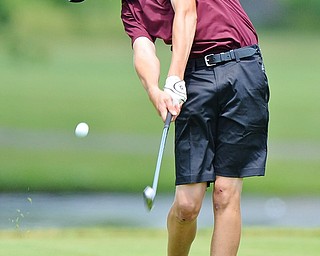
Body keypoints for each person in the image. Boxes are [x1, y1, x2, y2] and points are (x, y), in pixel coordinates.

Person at [121, 0, 269, 255]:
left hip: (241, 66)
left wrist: (174, 77)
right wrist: (154, 91)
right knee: (186, 206)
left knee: (225, 193)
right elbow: (143, 49)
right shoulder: (130, 8)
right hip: (195, 78)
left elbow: (187, 12)